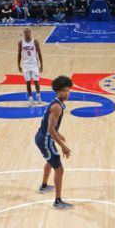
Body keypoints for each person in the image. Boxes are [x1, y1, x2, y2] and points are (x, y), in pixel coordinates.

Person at [36, 75, 74, 209]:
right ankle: (58, 201)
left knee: (50, 160)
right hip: (46, 139)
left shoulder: (56, 102)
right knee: (59, 169)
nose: (67, 93)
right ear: (57, 91)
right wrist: (63, 146)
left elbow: (50, 126)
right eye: (64, 91)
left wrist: (59, 134)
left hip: (42, 136)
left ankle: (44, 186)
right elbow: (51, 129)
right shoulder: (57, 107)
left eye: (68, 91)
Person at [17, 28, 43, 106]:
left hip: (34, 65)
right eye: (25, 32)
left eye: (28, 32)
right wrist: (18, 65)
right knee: (28, 83)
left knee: (36, 82)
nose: (27, 33)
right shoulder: (21, 42)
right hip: (26, 66)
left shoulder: (35, 41)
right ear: (24, 33)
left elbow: (40, 53)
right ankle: (31, 98)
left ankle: (38, 95)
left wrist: (42, 65)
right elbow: (19, 54)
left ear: (30, 33)